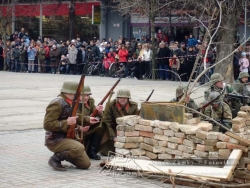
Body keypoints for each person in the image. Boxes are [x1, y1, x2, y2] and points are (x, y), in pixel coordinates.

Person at [43, 81, 99, 171]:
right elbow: (47, 125)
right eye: (78, 93)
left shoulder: (71, 102)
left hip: (68, 137)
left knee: (85, 164)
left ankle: (65, 154)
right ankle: (56, 158)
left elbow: (76, 116)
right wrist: (66, 122)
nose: (79, 95)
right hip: (55, 139)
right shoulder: (57, 103)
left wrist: (88, 119)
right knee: (79, 147)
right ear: (70, 93)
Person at [99, 89, 139, 155]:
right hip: (113, 129)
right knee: (107, 151)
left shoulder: (133, 106)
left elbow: (136, 120)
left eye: (124, 98)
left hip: (127, 130)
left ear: (128, 99)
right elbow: (106, 122)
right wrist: (113, 137)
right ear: (117, 98)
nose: (122, 100)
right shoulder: (111, 105)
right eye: (120, 98)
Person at [77, 85, 103, 160]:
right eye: (83, 95)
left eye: (87, 95)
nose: (85, 98)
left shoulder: (90, 102)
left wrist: (99, 112)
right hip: (76, 129)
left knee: (101, 124)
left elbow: (97, 115)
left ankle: (92, 150)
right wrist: (79, 128)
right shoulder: (73, 104)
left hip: (87, 127)